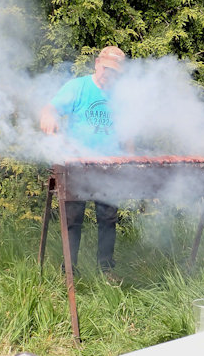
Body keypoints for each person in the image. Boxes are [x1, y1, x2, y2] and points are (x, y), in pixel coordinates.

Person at [40, 46, 127, 279]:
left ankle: (106, 269)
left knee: (108, 217)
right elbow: (51, 108)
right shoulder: (78, 87)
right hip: (77, 164)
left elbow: (128, 131)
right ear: (97, 63)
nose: (109, 74)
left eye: (115, 71)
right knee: (73, 219)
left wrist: (131, 158)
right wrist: (48, 116)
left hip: (110, 166)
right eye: (107, 68)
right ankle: (69, 270)